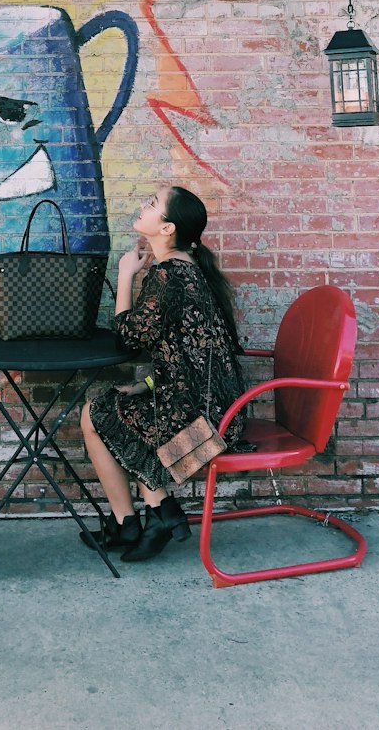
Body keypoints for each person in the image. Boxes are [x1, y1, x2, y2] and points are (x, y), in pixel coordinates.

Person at [80, 185, 245, 561]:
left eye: (152, 205)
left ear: (167, 228)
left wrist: (125, 275)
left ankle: (154, 513)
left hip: (210, 425)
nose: (143, 206)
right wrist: (149, 384)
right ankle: (143, 518)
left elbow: (129, 338)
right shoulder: (186, 269)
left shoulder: (169, 274)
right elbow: (189, 355)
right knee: (109, 409)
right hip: (216, 409)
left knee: (101, 414)